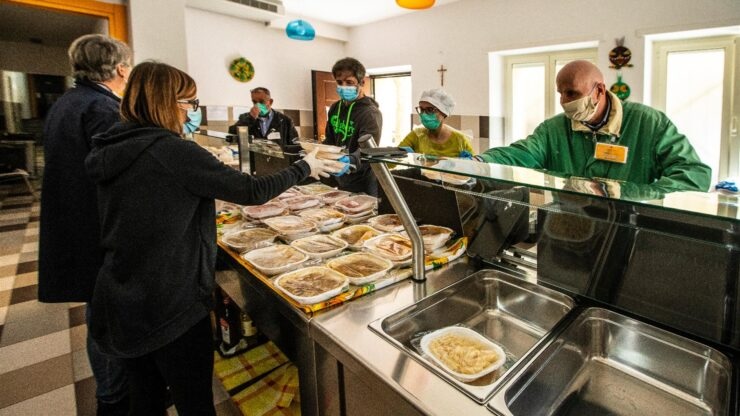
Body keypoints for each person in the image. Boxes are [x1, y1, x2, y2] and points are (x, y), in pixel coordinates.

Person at [84, 61, 330, 415]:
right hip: (171, 300)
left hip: (123, 291)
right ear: (165, 101)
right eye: (189, 103)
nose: (192, 113)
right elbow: (251, 190)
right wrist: (304, 167)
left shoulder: (113, 146)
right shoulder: (171, 150)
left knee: (145, 396)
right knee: (194, 400)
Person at [38, 34, 132, 416]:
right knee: (107, 316)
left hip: (76, 225)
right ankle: (114, 397)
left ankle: (114, 389)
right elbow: (116, 174)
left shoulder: (68, 101)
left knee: (102, 311)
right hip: (95, 229)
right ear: (121, 69)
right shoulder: (102, 109)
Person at [476, 60, 710, 192]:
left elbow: (694, 175)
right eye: (561, 94)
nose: (564, 102)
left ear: (599, 90)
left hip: (629, 226)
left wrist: (630, 193)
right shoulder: (554, 129)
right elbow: (523, 153)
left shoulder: (648, 123)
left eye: (572, 93)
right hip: (569, 224)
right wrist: (480, 162)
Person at [323, 57, 383, 196]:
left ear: (361, 83)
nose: (344, 86)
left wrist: (350, 160)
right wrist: (321, 153)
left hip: (363, 181)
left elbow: (369, 150)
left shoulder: (370, 113)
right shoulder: (335, 108)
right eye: (339, 82)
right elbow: (329, 140)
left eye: (349, 82)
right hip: (339, 177)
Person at [399, 88, 474, 158]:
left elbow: (477, 167)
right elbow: (391, 160)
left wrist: (467, 164)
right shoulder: (416, 136)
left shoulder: (460, 140)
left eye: (430, 110)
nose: (424, 114)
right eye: (421, 109)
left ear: (444, 113)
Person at [228, 87, 300, 150]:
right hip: (255, 161)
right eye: (254, 102)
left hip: (279, 162)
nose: (257, 105)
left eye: (261, 102)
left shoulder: (285, 121)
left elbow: (295, 144)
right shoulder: (245, 117)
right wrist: (250, 118)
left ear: (270, 102)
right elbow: (232, 135)